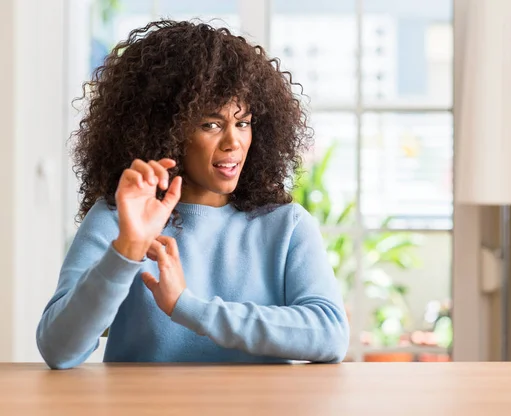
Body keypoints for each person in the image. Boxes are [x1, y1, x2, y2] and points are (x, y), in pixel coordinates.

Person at [36, 20, 349, 369]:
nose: (234, 142)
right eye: (210, 124)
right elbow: (58, 349)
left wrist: (189, 307)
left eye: (242, 123)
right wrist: (126, 251)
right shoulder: (119, 220)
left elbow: (329, 334)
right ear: (166, 131)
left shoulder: (285, 225)